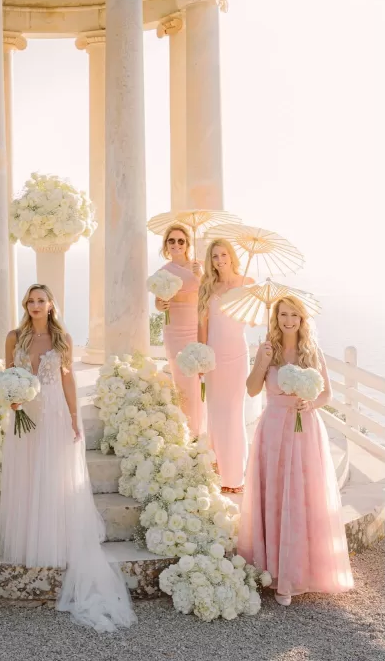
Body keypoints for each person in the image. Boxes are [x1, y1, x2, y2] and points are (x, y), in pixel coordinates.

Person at [0, 284, 135, 632]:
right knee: (27, 474)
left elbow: (68, 379)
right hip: (24, 414)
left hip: (55, 413)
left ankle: (53, 540)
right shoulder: (14, 337)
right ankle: (28, 537)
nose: (35, 305)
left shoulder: (63, 339)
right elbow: (6, 375)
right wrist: (10, 399)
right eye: (30, 301)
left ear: (51, 304)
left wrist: (75, 419)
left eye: (40, 300)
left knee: (53, 475)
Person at [238, 296, 353, 605]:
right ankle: (272, 570)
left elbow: (327, 393)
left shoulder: (311, 352)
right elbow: (251, 389)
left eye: (294, 315)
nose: (288, 320)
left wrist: (310, 402)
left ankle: (294, 574)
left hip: (305, 429)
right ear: (275, 318)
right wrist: (261, 361)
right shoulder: (268, 350)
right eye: (283, 314)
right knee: (274, 496)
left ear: (302, 320)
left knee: (301, 497)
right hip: (273, 428)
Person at [197, 239, 254, 493]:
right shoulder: (207, 286)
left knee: (233, 413)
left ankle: (235, 477)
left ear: (231, 256)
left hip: (237, 355)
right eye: (215, 257)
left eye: (223, 255)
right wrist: (201, 356)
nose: (220, 260)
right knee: (216, 414)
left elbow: (256, 318)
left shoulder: (248, 284)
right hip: (213, 355)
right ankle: (217, 472)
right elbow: (202, 325)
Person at [153, 223, 203, 436]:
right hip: (173, 330)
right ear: (166, 245)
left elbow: (209, 294)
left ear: (187, 244)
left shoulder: (198, 267)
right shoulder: (162, 272)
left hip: (195, 328)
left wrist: (201, 276)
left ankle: (198, 429)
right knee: (180, 380)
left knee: (196, 379)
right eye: (171, 240)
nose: (176, 244)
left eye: (180, 241)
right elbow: (157, 302)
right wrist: (161, 305)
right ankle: (184, 429)